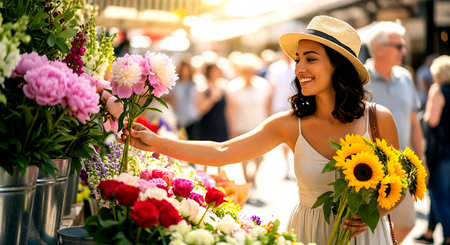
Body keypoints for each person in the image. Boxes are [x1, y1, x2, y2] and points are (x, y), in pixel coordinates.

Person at [119, 15, 401, 244]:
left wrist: (374, 212)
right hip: (307, 236)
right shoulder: (289, 124)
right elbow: (223, 151)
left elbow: (397, 186)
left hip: (367, 238)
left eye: (310, 59)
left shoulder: (379, 120)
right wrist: (157, 143)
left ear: (338, 65)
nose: (299, 68)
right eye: (298, 59)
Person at [363, 20, 425, 243]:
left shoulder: (405, 77)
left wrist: (421, 157)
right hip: (368, 170)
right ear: (379, 48)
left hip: (402, 167)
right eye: (399, 46)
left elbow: (414, 121)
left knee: (407, 222)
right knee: (368, 225)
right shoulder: (360, 80)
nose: (404, 51)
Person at [226, 52, 272, 206]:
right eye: (245, 71)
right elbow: (230, 110)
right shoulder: (234, 87)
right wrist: (232, 128)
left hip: (260, 126)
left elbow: (268, 107)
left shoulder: (263, 86)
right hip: (242, 127)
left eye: (251, 71)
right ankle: (248, 181)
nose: (249, 74)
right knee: (244, 158)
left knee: (261, 157)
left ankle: (253, 179)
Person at [417, 55, 450, 245]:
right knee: (442, 192)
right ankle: (429, 233)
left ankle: (448, 235)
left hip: (440, 149)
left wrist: (426, 114)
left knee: (438, 193)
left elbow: (433, 120)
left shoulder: (438, 90)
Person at [265, 51, 296, 180]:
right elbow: (270, 90)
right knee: (284, 140)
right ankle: (287, 167)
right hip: (279, 107)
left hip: (295, 107)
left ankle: (293, 167)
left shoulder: (297, 67)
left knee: (295, 139)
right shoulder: (275, 68)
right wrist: (269, 109)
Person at [166, 60, 201, 140]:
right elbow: (171, 99)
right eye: (183, 69)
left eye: (187, 69)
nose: (185, 72)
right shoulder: (175, 85)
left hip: (192, 118)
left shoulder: (194, 84)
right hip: (178, 117)